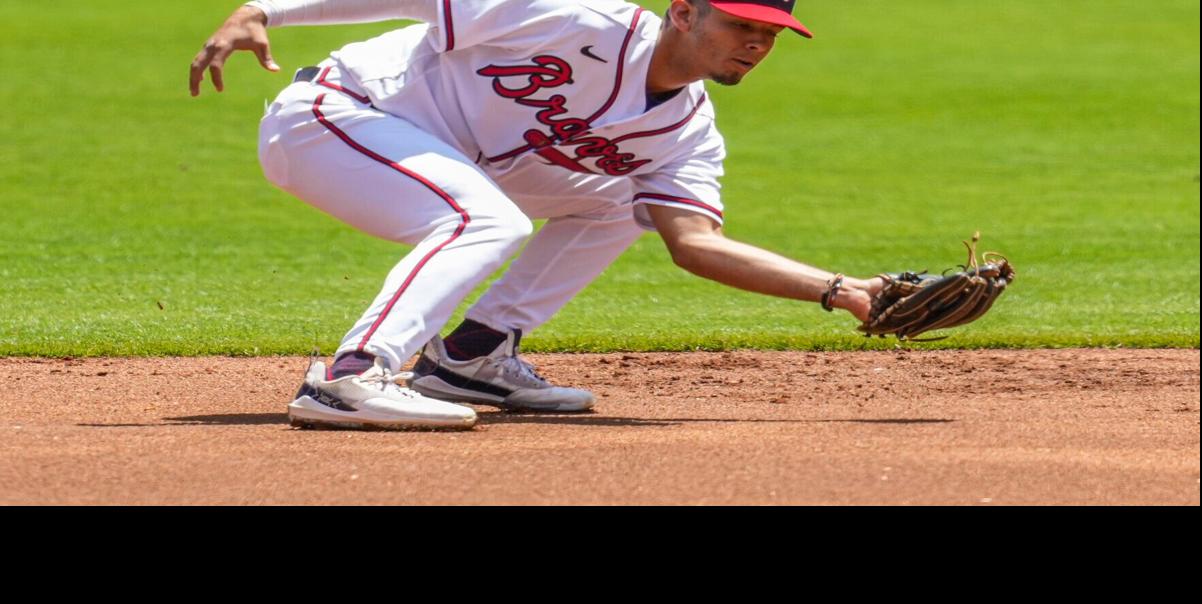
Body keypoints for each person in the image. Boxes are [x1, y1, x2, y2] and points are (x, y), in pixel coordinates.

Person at [191, 0, 883, 429]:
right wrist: (268, 10)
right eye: (739, 23)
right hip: (337, 115)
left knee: (622, 202)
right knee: (486, 219)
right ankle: (351, 377)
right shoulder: (579, 18)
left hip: (442, 155)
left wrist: (843, 290)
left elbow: (694, 241)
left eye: (770, 31)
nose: (756, 43)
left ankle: (470, 357)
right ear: (683, 12)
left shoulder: (688, 132)